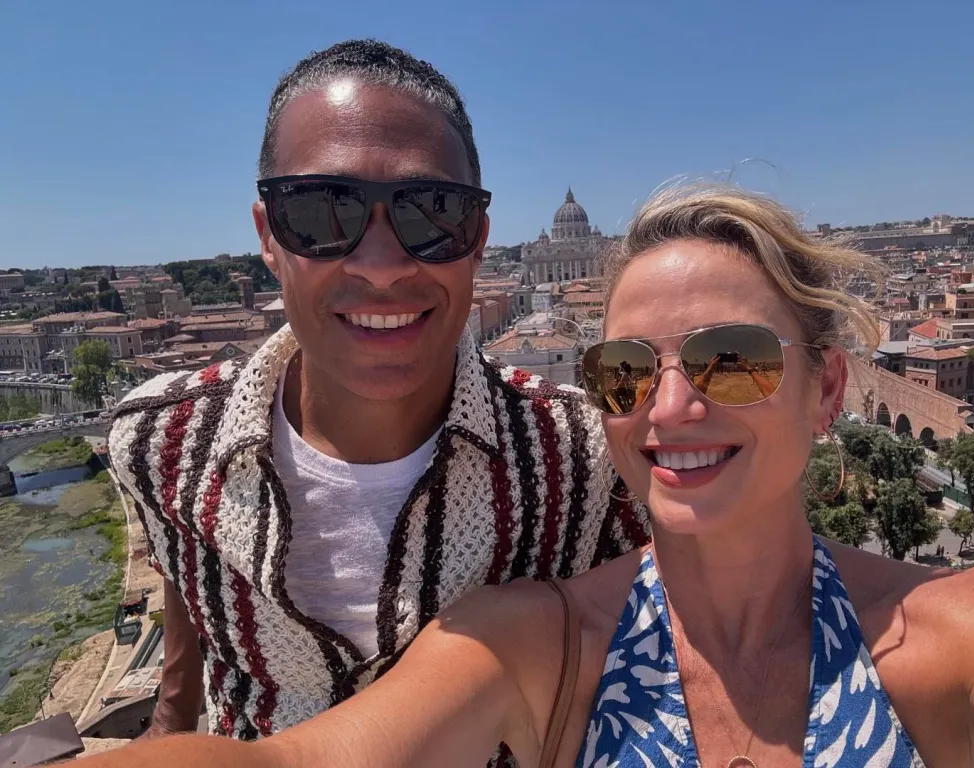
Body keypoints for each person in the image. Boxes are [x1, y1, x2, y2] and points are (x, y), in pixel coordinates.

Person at [89, 187, 974, 768]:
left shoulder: (970, 639)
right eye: (622, 371)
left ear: (825, 388)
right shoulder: (534, 644)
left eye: (731, 359)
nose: (668, 408)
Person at [105, 39, 647, 745]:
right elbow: (185, 563)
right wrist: (172, 720)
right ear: (268, 236)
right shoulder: (155, 443)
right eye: (323, 211)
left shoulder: (595, 457)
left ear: (478, 239)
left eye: (432, 212)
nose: (383, 265)